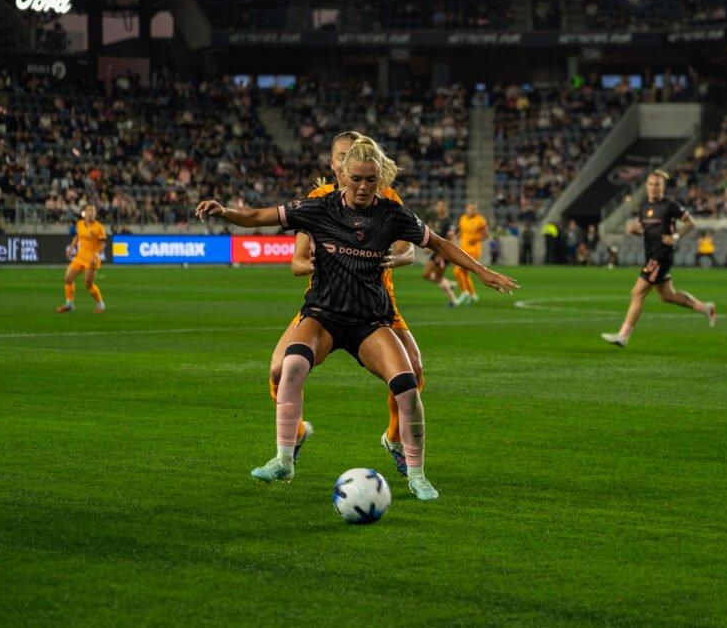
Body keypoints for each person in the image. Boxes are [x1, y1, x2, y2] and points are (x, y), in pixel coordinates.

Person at [195, 136, 517, 500]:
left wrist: (481, 271)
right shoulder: (319, 207)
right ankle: (284, 458)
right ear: (342, 174)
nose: (363, 187)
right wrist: (225, 213)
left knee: (408, 386)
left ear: (380, 178)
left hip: (370, 320)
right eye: (357, 178)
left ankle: (417, 474)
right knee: (291, 366)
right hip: (324, 314)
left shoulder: (391, 214)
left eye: (371, 179)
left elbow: (439, 244)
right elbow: (258, 216)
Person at [269, 131, 419, 476]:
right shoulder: (318, 200)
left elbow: (409, 246)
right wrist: (321, 261)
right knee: (279, 370)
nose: (345, 162)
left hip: (377, 307)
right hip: (325, 305)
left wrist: (398, 257)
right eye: (341, 156)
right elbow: (297, 262)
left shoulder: (386, 198)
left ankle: (395, 440)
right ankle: (295, 432)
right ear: (333, 163)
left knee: (414, 371)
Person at [602, 169, 716, 347]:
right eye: (650, 185)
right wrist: (635, 230)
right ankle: (705, 308)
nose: (653, 188)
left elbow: (690, 223)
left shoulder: (670, 206)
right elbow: (646, 230)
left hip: (661, 256)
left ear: (663, 187)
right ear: (646, 186)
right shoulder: (644, 207)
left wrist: (675, 237)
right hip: (651, 254)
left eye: (657, 185)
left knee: (637, 293)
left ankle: (623, 336)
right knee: (667, 295)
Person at [56, 204, 106, 313]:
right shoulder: (79, 224)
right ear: (84, 213)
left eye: (93, 211)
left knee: (88, 284)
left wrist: (96, 255)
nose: (91, 213)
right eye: (89, 210)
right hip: (80, 257)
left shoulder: (99, 227)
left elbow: (102, 244)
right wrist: (71, 247)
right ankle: (69, 304)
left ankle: (100, 305)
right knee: (68, 279)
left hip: (91, 259)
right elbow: (77, 237)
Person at [422, 199, 459, 307]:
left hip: (442, 253)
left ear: (445, 208)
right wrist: (429, 247)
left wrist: (452, 255)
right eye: (438, 206)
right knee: (426, 275)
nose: (439, 208)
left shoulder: (448, 222)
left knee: (435, 277)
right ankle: (448, 284)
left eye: (441, 206)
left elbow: (451, 238)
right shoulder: (438, 220)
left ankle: (453, 300)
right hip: (437, 251)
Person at [454, 202, 489, 305]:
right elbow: (461, 231)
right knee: (464, 272)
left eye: (474, 209)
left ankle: (464, 292)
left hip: (474, 250)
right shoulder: (462, 218)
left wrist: (476, 239)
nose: (473, 211)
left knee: (457, 270)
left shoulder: (480, 220)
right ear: (467, 209)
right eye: (471, 209)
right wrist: (457, 236)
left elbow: (486, 235)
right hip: (463, 249)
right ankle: (473, 295)